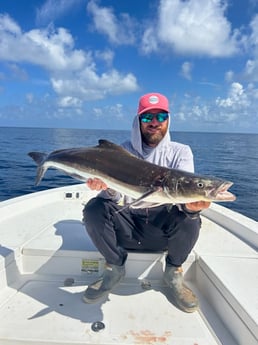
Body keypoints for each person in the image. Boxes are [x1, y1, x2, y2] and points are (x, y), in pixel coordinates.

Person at [82, 92, 210, 313]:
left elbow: (184, 190)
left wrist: (190, 208)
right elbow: (112, 198)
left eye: (160, 117)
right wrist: (105, 188)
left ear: (168, 120)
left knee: (191, 217)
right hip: (128, 223)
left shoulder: (181, 152)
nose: (154, 123)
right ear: (137, 121)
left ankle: (173, 273)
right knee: (94, 208)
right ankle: (114, 267)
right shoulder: (120, 152)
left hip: (161, 229)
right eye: (146, 117)